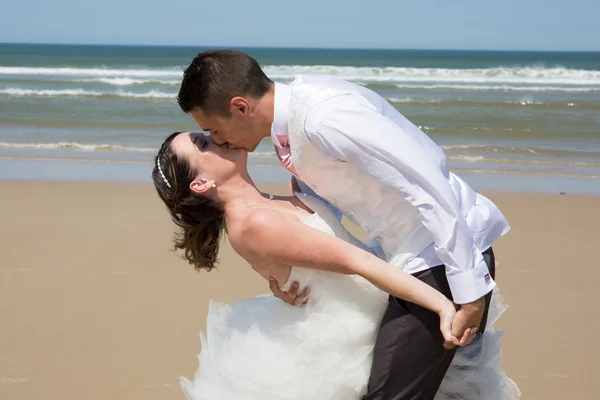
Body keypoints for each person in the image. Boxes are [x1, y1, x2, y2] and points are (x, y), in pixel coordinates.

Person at [175, 50, 517, 399]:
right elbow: (324, 203)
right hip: (405, 260)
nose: (219, 141)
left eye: (214, 130)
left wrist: (470, 292)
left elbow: (427, 184)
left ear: (241, 107)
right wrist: (290, 273)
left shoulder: (324, 119)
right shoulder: (292, 127)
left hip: (441, 257)